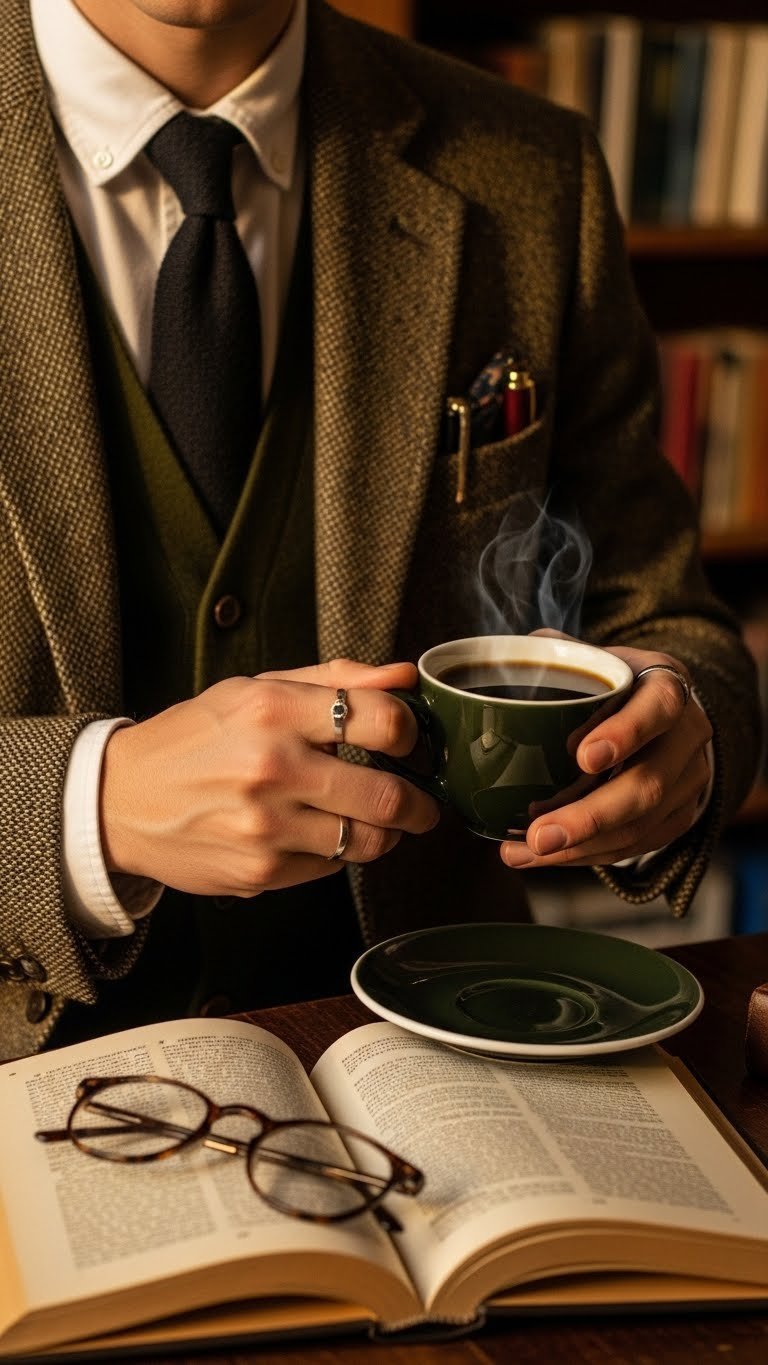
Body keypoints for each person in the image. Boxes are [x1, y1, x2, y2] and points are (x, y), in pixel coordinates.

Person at [0, 0, 759, 1061]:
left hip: (454, 1054)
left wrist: (691, 736)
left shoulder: (533, 167)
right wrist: (89, 809)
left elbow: (669, 620)